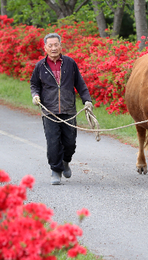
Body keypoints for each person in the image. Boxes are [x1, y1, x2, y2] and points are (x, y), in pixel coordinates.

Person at [30, 32, 93, 185]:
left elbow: (80, 84)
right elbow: (34, 85)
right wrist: (35, 95)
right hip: (49, 111)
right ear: (45, 47)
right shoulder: (40, 66)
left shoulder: (70, 63)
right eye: (50, 45)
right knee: (53, 142)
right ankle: (55, 171)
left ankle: (66, 161)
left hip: (68, 110)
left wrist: (87, 101)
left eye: (56, 45)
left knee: (70, 142)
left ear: (60, 46)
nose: (53, 48)